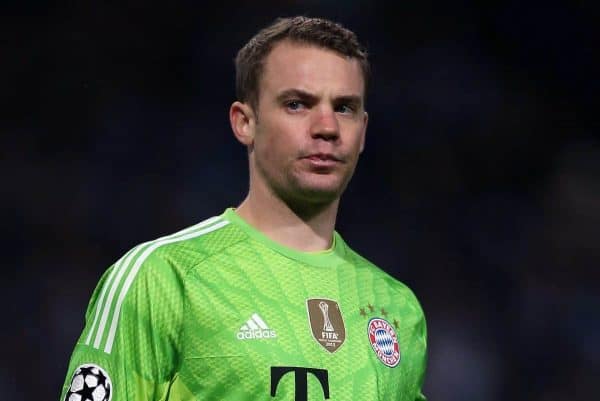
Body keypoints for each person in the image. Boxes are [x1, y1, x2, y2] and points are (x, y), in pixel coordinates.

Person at [59, 16, 427, 401]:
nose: (327, 127)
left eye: (344, 108)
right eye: (297, 104)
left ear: (363, 131)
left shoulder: (396, 307)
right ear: (245, 122)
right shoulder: (163, 278)